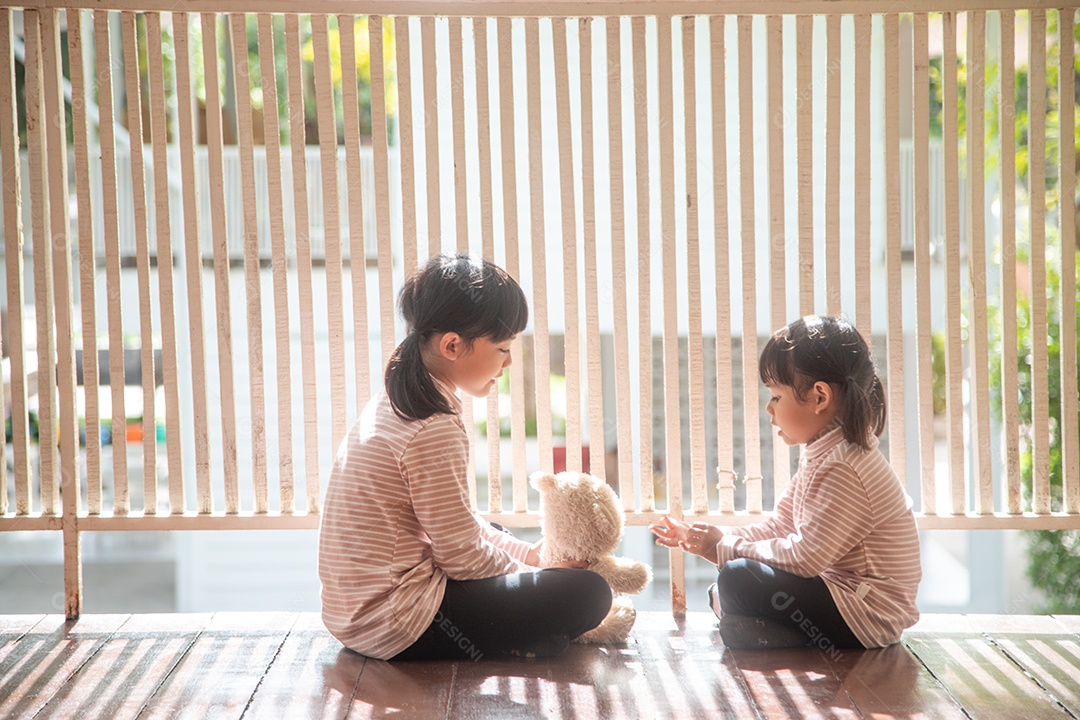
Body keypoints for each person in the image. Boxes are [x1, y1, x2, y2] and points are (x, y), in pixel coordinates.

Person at [319, 253, 612, 661]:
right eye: (503, 348)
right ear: (453, 345)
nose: (509, 361)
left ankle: (525, 637)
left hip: (356, 614)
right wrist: (537, 574)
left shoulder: (398, 399)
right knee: (589, 593)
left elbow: (462, 525)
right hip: (396, 622)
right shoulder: (432, 426)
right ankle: (522, 638)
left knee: (494, 531)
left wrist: (528, 555)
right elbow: (461, 556)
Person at [650, 315, 921, 650]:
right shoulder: (824, 453)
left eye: (777, 396)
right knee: (736, 576)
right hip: (841, 595)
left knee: (739, 577)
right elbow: (780, 526)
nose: (769, 408)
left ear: (820, 397)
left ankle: (767, 629)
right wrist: (715, 539)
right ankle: (765, 629)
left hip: (867, 613)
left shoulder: (845, 467)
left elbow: (806, 557)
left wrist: (723, 548)